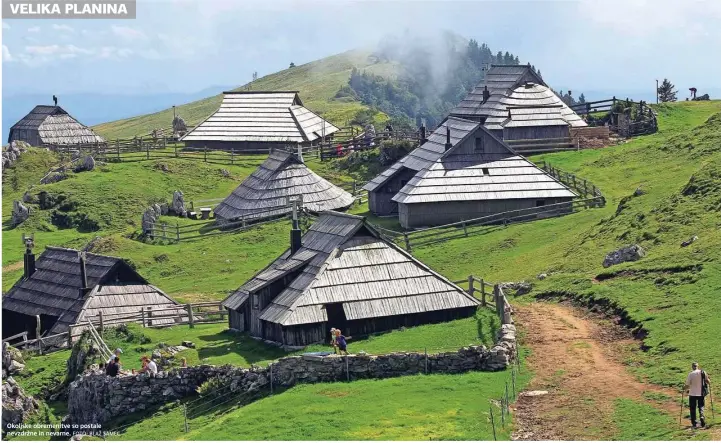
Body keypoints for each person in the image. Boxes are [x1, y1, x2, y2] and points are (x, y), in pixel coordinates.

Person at [684, 362, 711, 428]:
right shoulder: (703, 372)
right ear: (698, 366)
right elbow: (708, 381)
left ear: (692, 367)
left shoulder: (690, 374)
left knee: (692, 408)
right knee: (701, 406)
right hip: (701, 393)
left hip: (692, 394)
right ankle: (702, 417)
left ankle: (694, 423)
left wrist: (684, 388)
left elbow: (687, 385)